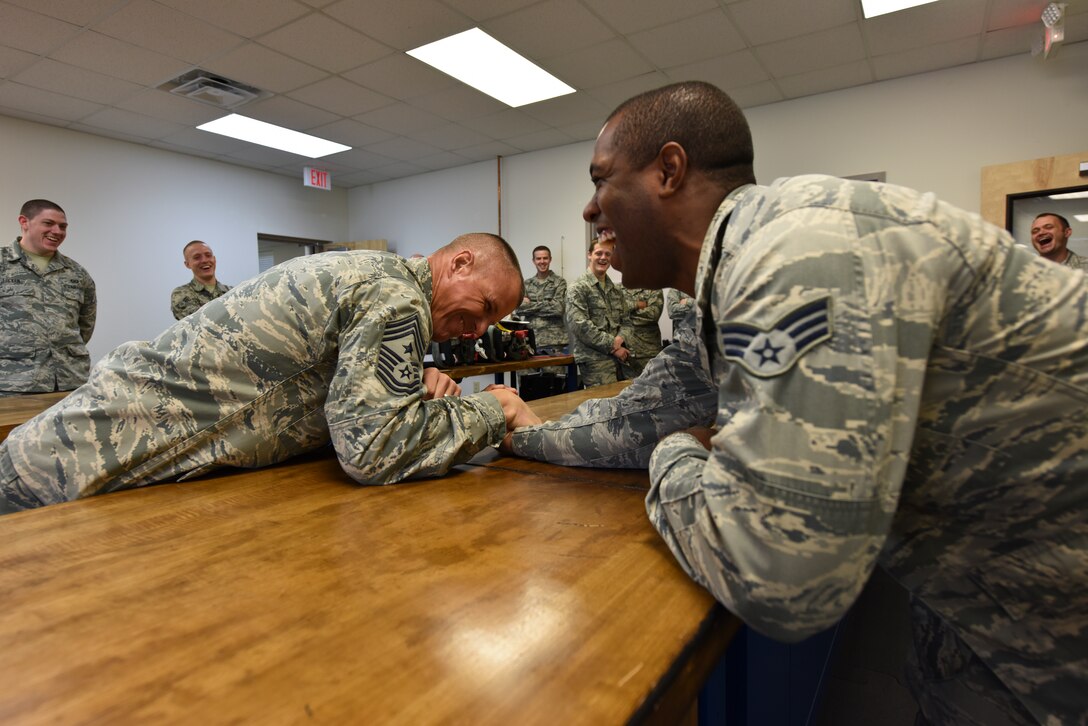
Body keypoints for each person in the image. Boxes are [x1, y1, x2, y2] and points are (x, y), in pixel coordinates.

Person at [506, 82, 1087, 725]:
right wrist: (525, 432)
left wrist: (674, 453)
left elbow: (782, 579)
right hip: (985, 608)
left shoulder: (796, 253)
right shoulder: (745, 265)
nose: (590, 212)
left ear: (668, 171)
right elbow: (644, 414)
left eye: (600, 181)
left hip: (1052, 627)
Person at [1, 233, 540, 513]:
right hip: (76, 463)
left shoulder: (378, 278)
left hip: (96, 451)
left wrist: (408, 398)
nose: (480, 330)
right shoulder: (398, 300)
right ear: (460, 263)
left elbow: (341, 409)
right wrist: (496, 408)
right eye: (487, 306)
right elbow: (373, 452)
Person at [0, 199, 96, 396]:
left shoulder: (76, 273)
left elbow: (85, 325)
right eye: (48, 223)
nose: (57, 231)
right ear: (24, 222)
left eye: (63, 226)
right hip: (12, 383)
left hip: (70, 382)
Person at [564, 236, 631, 387]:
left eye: (608, 254)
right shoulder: (578, 288)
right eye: (599, 253)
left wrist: (620, 339)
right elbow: (580, 326)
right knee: (604, 408)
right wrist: (613, 346)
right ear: (589, 255)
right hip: (595, 361)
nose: (603, 258)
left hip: (621, 361)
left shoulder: (615, 290)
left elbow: (627, 322)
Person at [515, 244, 568, 380]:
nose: (542, 261)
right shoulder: (526, 284)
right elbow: (519, 308)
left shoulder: (559, 282)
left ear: (550, 259)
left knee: (554, 385)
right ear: (533, 261)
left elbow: (558, 309)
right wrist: (546, 304)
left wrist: (531, 305)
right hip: (529, 343)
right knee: (529, 385)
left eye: (545, 258)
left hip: (553, 343)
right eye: (538, 259)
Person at [171, 240, 232, 319]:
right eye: (197, 257)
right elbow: (200, 322)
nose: (204, 260)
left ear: (214, 259)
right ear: (187, 264)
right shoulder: (181, 293)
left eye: (208, 255)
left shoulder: (231, 291)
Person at [619, 286, 664, 375]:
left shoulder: (654, 288)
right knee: (625, 387)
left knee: (652, 386)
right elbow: (613, 313)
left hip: (648, 353)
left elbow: (653, 315)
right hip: (625, 353)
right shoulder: (617, 289)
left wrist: (624, 317)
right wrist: (636, 305)